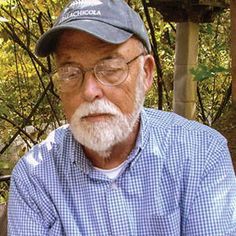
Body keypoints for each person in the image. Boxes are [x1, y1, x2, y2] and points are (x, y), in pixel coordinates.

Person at [8, 0, 236, 235]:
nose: (89, 91)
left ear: (146, 74)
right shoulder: (35, 176)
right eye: (70, 72)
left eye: (111, 67)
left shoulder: (201, 154)